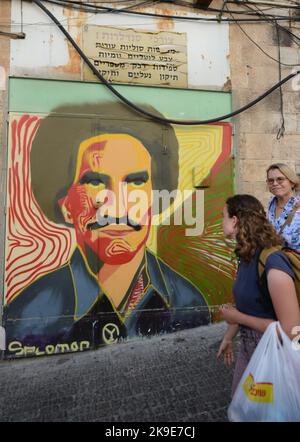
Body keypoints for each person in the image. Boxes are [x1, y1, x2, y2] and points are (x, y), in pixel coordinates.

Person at [4, 102, 210, 357]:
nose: (117, 205)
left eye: (135, 181)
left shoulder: (187, 301)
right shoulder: (28, 314)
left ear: (156, 198)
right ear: (66, 206)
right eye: (95, 181)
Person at [217, 194, 300, 397]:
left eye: (223, 216)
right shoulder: (246, 255)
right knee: (243, 409)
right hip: (249, 348)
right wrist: (229, 336)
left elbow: (292, 332)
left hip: (275, 353)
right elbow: (249, 305)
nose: (220, 222)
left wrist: (236, 317)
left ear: (235, 220)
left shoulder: (273, 263)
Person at [266, 163, 300, 252]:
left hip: (295, 263)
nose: (275, 183)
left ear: (292, 182)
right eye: (270, 180)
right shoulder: (271, 205)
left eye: (280, 179)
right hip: (275, 262)